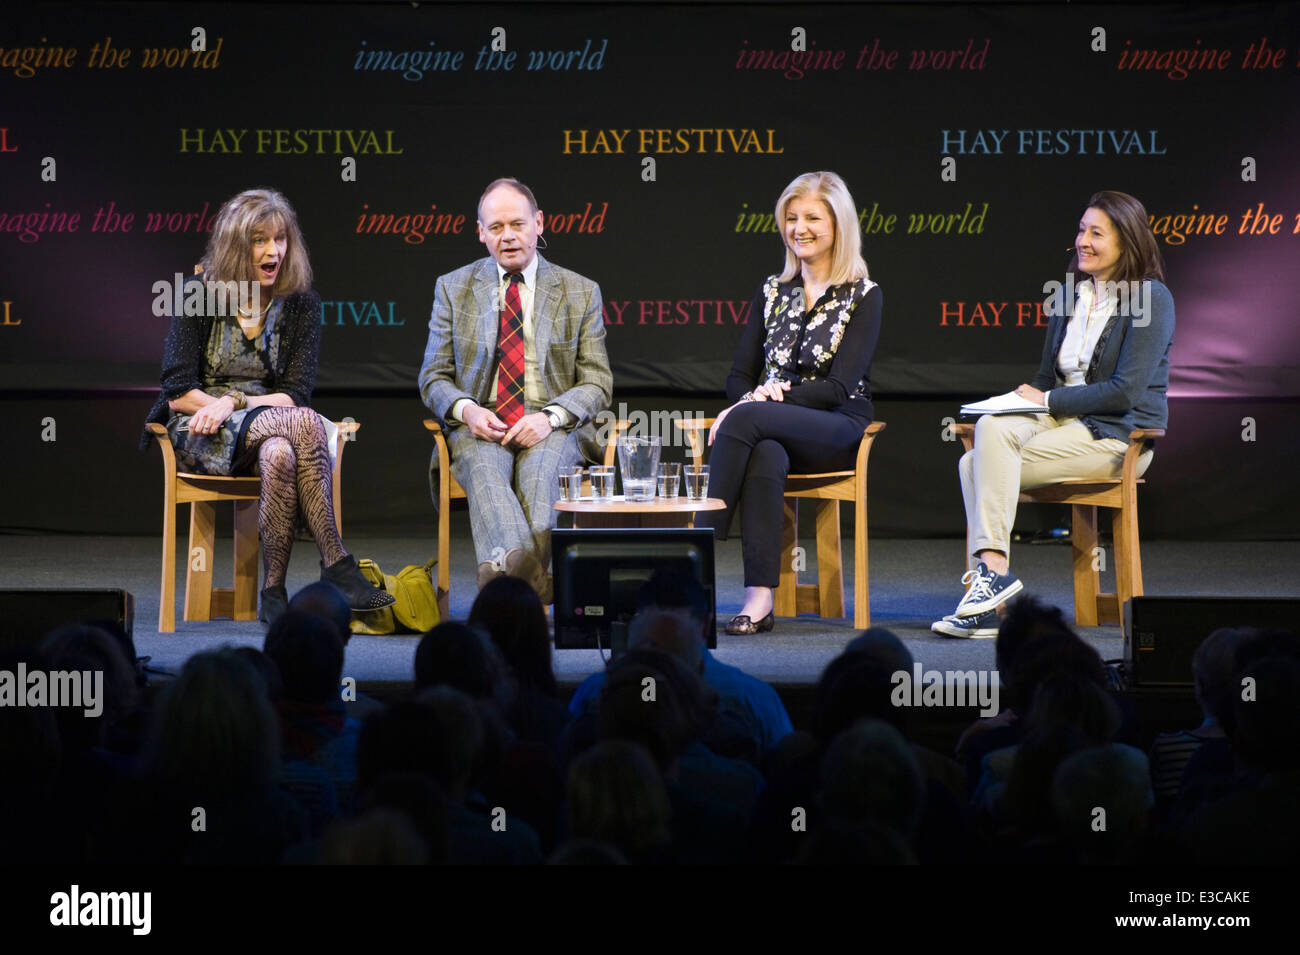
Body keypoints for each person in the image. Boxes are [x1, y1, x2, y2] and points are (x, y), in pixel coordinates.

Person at [141, 188, 393, 623]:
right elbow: (178, 389)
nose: (273, 250)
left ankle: (273, 590)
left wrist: (234, 401)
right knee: (308, 425)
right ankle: (336, 563)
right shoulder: (198, 295)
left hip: (270, 426)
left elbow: (294, 395)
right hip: (200, 429)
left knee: (282, 450)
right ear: (237, 246)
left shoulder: (300, 305)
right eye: (259, 240)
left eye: (280, 239)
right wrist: (219, 406)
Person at [933, 190, 1175, 637]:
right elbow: (1047, 378)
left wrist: (1046, 402)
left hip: (1117, 436)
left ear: (1127, 242)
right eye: (1081, 230)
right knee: (988, 432)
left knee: (974, 465)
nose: (1083, 240)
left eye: (1096, 233)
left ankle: (991, 596)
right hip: (1063, 422)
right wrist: (1015, 404)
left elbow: (1124, 393)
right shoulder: (1069, 294)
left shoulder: (1151, 299)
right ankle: (995, 580)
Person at [702, 171, 883, 635]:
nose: (798, 228)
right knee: (763, 452)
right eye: (791, 218)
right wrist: (752, 399)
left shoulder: (863, 295)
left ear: (838, 225)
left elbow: (840, 387)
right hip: (771, 426)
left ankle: (693, 550)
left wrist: (763, 399)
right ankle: (759, 600)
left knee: (745, 421)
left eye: (812, 218)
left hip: (837, 425)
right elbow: (739, 376)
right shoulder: (773, 292)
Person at [418, 178, 612, 603]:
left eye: (518, 224)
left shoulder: (580, 291)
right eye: (497, 226)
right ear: (481, 232)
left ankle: (503, 580)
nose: (508, 236)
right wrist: (467, 411)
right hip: (479, 425)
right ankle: (538, 584)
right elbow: (432, 376)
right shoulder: (453, 288)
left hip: (552, 424)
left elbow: (598, 381)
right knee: (485, 471)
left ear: (539, 224)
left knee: (541, 480)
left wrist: (549, 418)